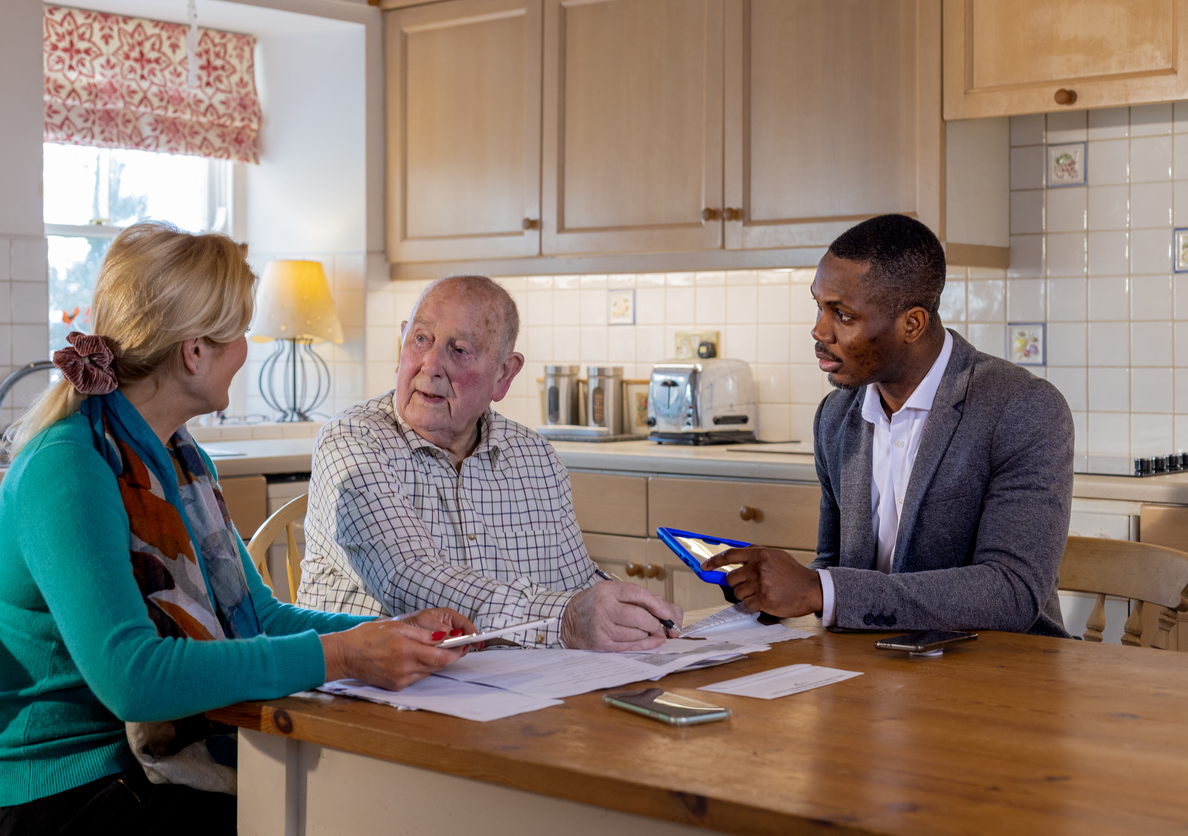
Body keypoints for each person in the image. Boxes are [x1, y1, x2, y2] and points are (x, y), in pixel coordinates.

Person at [0, 222, 476, 836]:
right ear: (194, 352)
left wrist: (390, 635)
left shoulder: (179, 462)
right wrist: (344, 655)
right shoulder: (70, 469)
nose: (246, 349)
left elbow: (257, 616)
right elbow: (134, 679)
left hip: (148, 771)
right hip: (73, 790)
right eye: (239, 333)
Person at [704, 214, 1073, 637]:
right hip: (876, 667)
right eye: (819, 306)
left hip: (1001, 672)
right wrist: (771, 588)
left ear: (912, 324)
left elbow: (1011, 593)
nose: (819, 330)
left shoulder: (1023, 408)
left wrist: (819, 590)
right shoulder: (835, 416)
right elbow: (836, 565)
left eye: (842, 315)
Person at [296, 274, 683, 650]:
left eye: (459, 350)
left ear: (504, 374)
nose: (430, 365)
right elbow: (408, 578)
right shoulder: (352, 440)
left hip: (501, 690)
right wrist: (563, 619)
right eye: (420, 339)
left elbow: (574, 582)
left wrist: (635, 611)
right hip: (369, 693)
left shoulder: (533, 455)